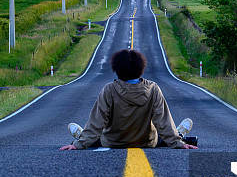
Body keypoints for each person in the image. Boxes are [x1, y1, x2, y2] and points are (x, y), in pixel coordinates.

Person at [60, 48, 198, 150]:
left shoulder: (110, 89)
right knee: (160, 136)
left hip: (114, 142)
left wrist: (78, 145)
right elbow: (163, 120)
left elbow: (97, 122)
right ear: (141, 68)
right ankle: (179, 135)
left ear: (116, 69)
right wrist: (177, 143)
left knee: (97, 137)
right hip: (146, 142)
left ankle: (80, 136)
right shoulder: (153, 88)